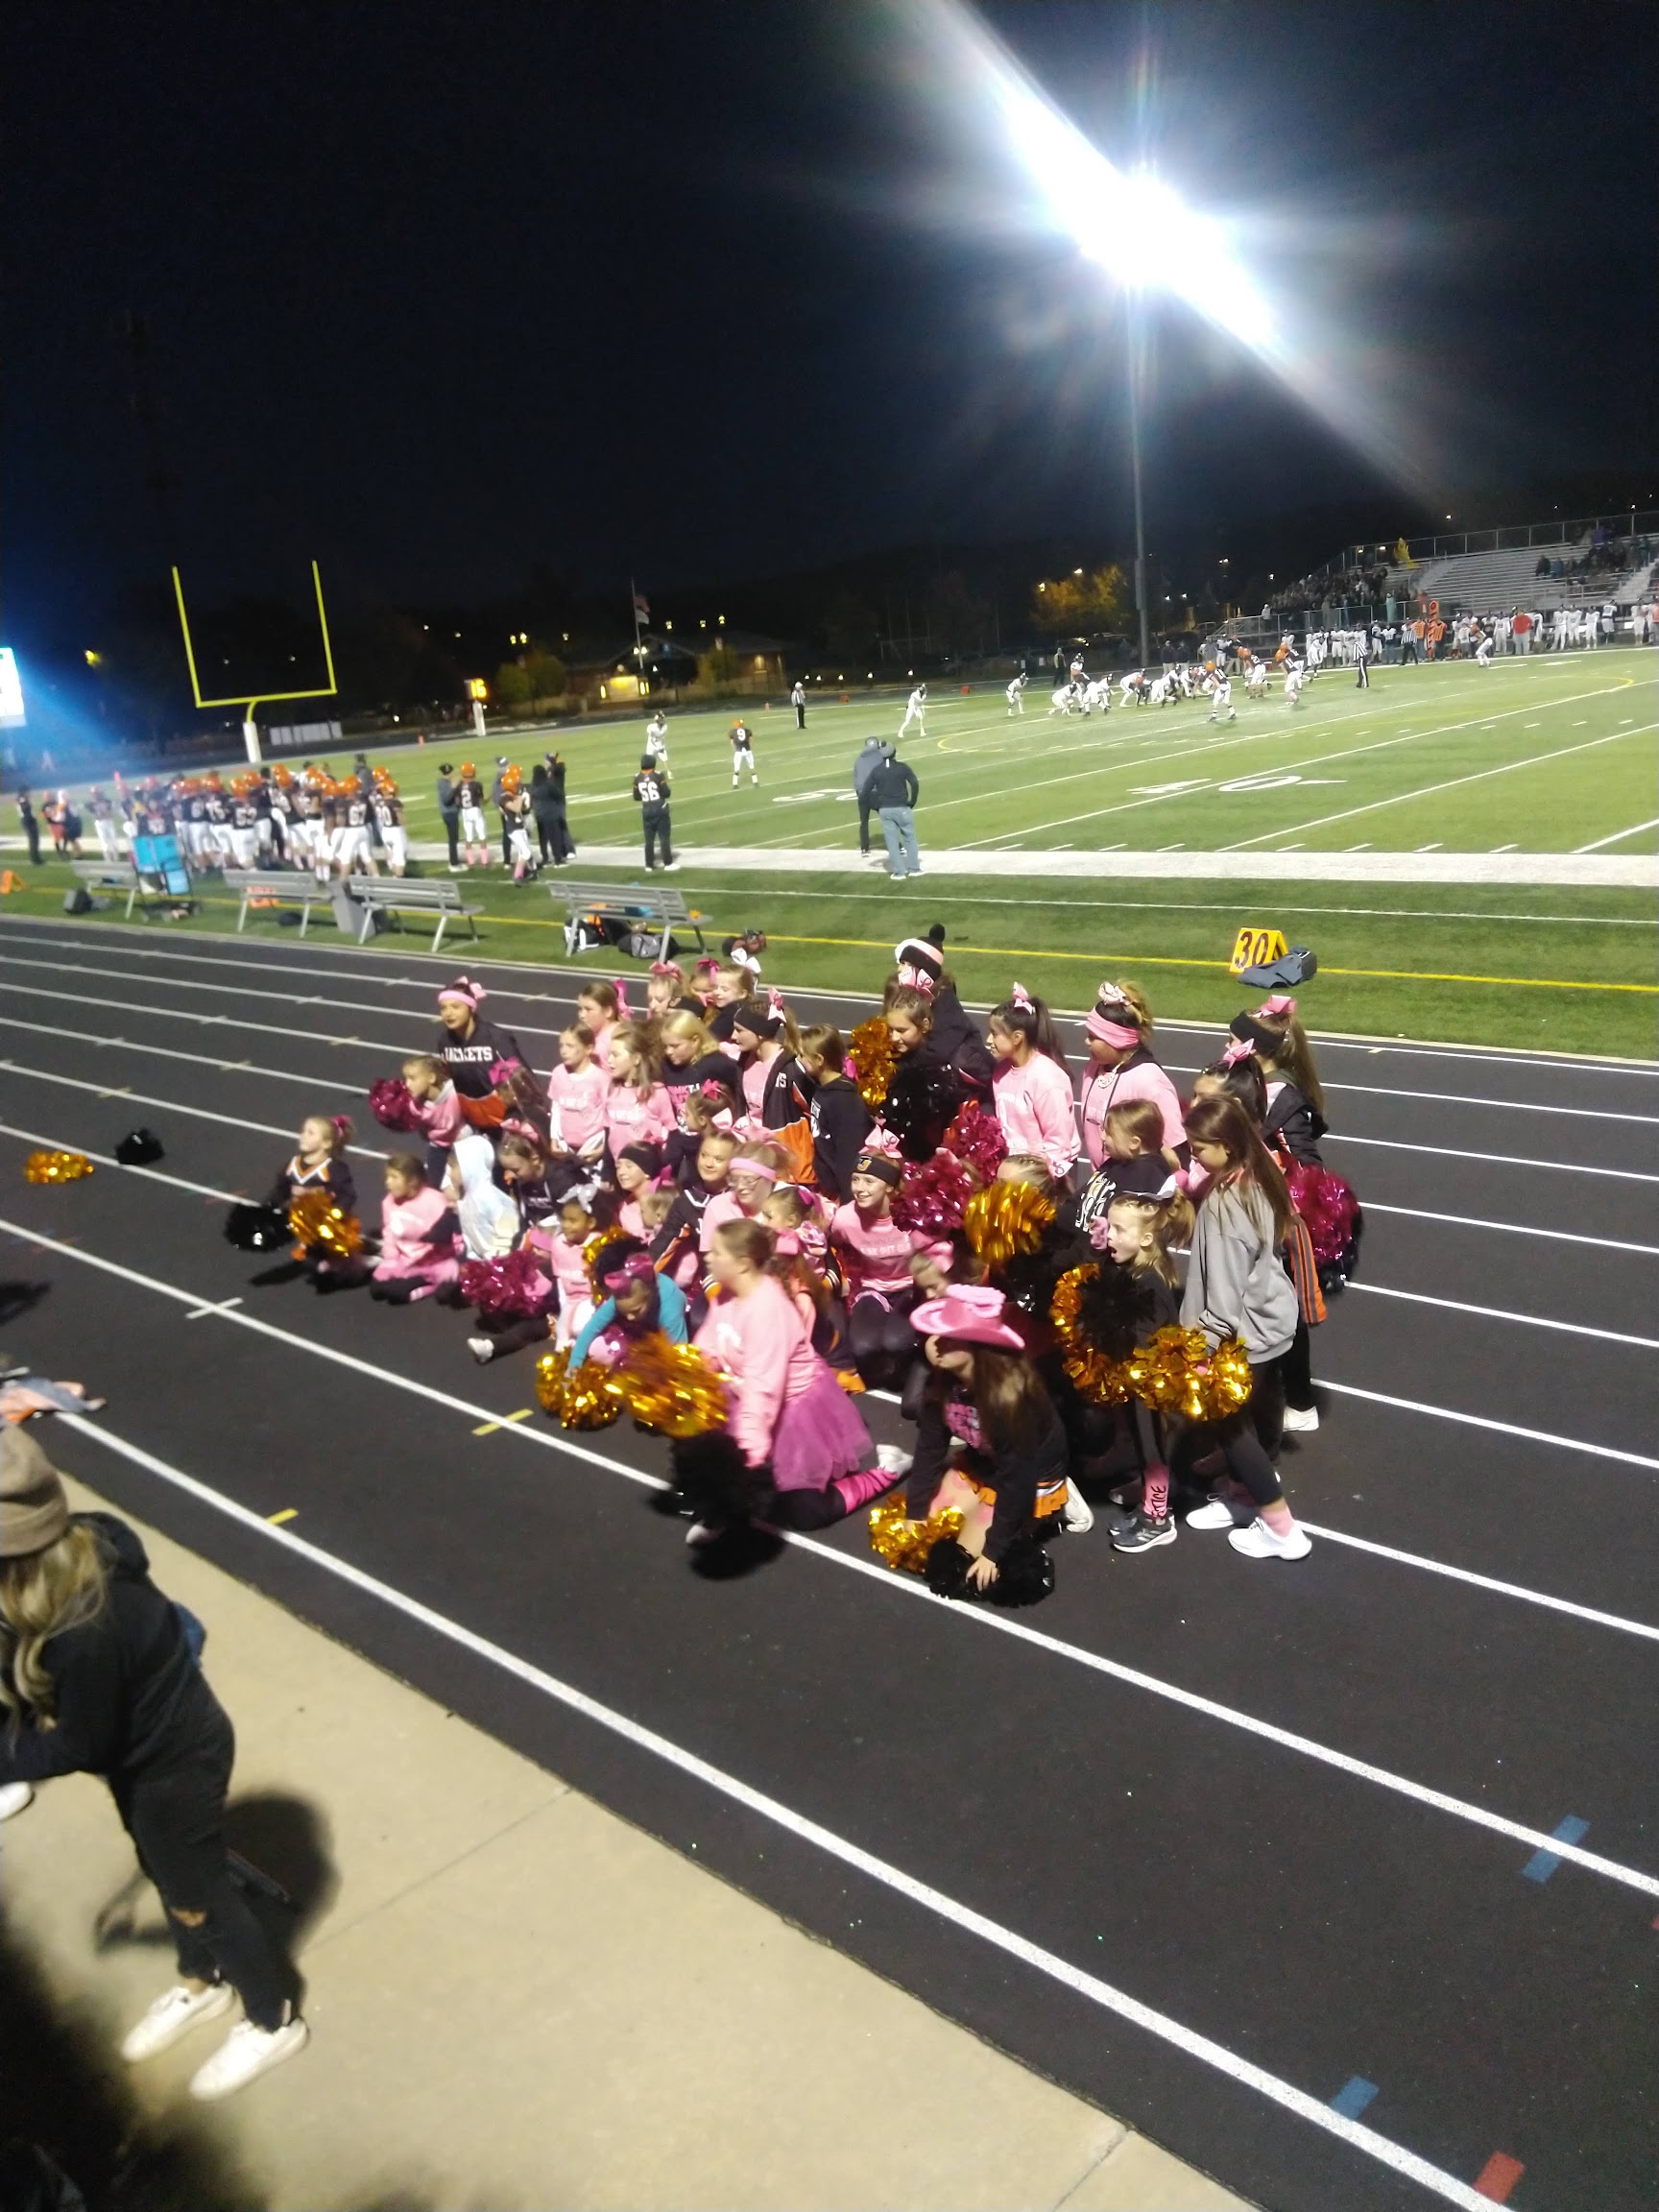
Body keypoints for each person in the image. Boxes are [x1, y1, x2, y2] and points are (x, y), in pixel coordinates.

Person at [0, 1429, 308, 2098]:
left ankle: (271, 2018)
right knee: (168, 1871)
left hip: (173, 1767)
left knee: (201, 1898)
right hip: (147, 1759)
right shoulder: (86, 1543)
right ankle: (201, 1983)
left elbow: (82, 1744)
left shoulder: (83, 1630)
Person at [681, 1219, 885, 1544]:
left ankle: (887, 1471)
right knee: (714, 1460)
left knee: (806, 1514)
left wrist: (744, 1456)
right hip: (745, 1394)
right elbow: (709, 1345)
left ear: (743, 1263)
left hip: (793, 1411)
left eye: (717, 1252)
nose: (708, 1257)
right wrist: (684, 1376)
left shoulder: (768, 1311)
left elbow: (764, 1390)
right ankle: (721, 1513)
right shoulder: (726, 1295)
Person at [1178, 1095, 1310, 1561]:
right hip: (1270, 1320)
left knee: (1232, 1430)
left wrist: (1201, 1346)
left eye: (1198, 1149)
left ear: (1227, 1146)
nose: (1193, 1156)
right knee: (1258, 1414)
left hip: (1242, 1333)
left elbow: (1224, 1293)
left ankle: (1281, 1529)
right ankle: (1243, 1494)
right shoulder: (1257, 1174)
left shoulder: (1227, 1206)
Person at [899, 1285, 1069, 1593]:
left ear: (977, 1348)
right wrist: (916, 1510)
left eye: (949, 1338)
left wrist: (993, 1552)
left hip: (1027, 1479)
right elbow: (929, 1448)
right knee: (923, 1540)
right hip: (984, 1464)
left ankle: (1049, 1514)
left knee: (964, 1569)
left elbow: (1018, 1482)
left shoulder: (1010, 1400)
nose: (936, 1344)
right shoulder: (944, 1381)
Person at [1078, 982, 1185, 1173]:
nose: (1086, 1042)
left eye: (1093, 1037)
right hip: (1103, 1180)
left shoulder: (1149, 1081)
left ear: (1117, 1040)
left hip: (1136, 1184)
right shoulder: (1093, 1068)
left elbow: (1176, 1150)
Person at [987, 985, 1077, 1180]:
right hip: (1012, 1174)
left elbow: (1058, 1144)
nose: (988, 1040)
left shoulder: (1046, 1079)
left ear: (1017, 1037)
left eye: (994, 1033)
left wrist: (1035, 1176)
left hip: (1042, 1178)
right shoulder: (1000, 1072)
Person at [369, 1154, 458, 1304]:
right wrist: (390, 1258)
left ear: (413, 1181)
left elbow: (450, 1236)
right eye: (387, 1177)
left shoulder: (436, 1201)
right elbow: (388, 1232)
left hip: (433, 1261)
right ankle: (411, 1281)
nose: (387, 1182)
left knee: (398, 1293)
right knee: (376, 1290)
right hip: (405, 1259)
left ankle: (428, 1286)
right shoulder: (388, 1202)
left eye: (394, 1177)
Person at [799, 1024, 871, 1202]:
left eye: (802, 1055)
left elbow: (848, 1153)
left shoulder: (844, 1101)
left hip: (838, 1192)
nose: (798, 1059)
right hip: (824, 1185)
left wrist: (847, 1200)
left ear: (819, 1059)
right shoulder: (822, 1089)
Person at [434, 977, 526, 1103]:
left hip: (502, 1110)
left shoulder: (497, 1038)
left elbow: (523, 1077)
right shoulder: (445, 1041)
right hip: (468, 1110)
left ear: (471, 1008)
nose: (448, 1013)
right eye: (443, 1008)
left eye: (455, 1007)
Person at [867, 746, 921, 881]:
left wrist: (876, 806)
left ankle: (898, 872)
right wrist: (912, 801)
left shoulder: (876, 770)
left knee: (891, 842)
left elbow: (865, 791)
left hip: (885, 809)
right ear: (894, 753)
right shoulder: (902, 767)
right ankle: (914, 869)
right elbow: (914, 783)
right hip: (902, 807)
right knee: (910, 838)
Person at [633, 754, 677, 872]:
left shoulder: (637, 777)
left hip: (646, 809)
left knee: (649, 839)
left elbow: (636, 797)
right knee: (664, 837)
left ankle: (649, 864)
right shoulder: (658, 775)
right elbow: (666, 792)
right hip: (659, 808)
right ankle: (668, 863)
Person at [531, 759, 574, 865]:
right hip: (550, 814)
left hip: (538, 814)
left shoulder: (533, 786)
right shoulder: (548, 785)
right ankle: (558, 859)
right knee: (554, 837)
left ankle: (545, 858)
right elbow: (559, 795)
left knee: (543, 838)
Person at [853, 736, 888, 858]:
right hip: (875, 792)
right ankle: (896, 845)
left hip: (862, 792)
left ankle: (864, 848)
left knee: (864, 821)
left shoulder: (859, 759)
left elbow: (856, 778)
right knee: (887, 818)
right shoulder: (880, 757)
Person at [456, 763, 489, 870]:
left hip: (465, 812)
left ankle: (471, 862)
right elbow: (482, 801)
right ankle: (484, 861)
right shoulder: (476, 785)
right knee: (482, 836)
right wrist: (489, 798)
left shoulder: (459, 785)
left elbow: (457, 801)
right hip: (475, 811)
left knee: (468, 837)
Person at [435, 763, 463, 871]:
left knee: (454, 838)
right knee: (453, 839)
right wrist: (453, 787)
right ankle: (453, 863)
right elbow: (446, 799)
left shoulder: (446, 782)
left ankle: (455, 861)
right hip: (449, 813)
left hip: (452, 812)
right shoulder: (443, 783)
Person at [730, 718, 758, 786]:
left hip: (738, 751)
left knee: (736, 768)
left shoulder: (732, 732)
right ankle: (755, 782)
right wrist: (749, 748)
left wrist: (735, 749)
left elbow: (732, 742)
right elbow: (751, 740)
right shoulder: (748, 731)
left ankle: (735, 784)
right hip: (747, 749)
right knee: (751, 766)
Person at [16, 789, 40, 866]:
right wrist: (29, 802)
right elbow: (24, 809)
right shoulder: (22, 799)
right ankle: (34, 859)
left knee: (36, 840)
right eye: (28, 792)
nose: (29, 793)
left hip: (31, 821)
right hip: (27, 822)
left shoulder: (25, 799)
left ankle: (37, 857)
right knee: (33, 841)